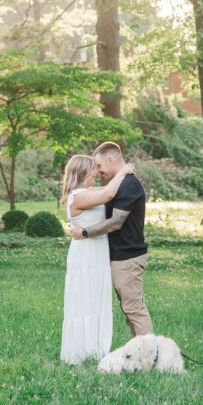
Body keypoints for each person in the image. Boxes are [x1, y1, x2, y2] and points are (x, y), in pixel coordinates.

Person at [69, 142, 153, 338]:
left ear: (110, 159)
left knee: (134, 309)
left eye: (99, 165)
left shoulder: (128, 184)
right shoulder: (117, 184)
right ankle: (139, 351)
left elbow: (116, 222)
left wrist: (84, 232)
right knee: (129, 310)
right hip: (119, 257)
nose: (97, 171)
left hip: (128, 257)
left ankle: (150, 354)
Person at [60, 153, 135, 365]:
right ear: (83, 172)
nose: (97, 171)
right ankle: (80, 352)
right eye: (93, 168)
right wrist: (123, 170)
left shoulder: (89, 191)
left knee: (96, 300)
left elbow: (108, 192)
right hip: (85, 255)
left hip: (97, 252)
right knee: (84, 300)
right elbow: (109, 194)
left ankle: (95, 348)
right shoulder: (78, 196)